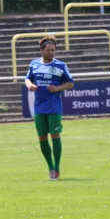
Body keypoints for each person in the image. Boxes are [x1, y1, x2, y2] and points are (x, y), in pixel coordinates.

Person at [24, 35, 75, 181]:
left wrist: (57, 88)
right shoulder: (34, 64)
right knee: (42, 137)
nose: (51, 53)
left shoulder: (60, 65)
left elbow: (71, 83)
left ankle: (56, 168)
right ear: (41, 50)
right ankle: (50, 167)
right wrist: (30, 85)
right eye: (48, 50)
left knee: (55, 136)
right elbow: (27, 78)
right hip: (39, 107)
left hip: (54, 107)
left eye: (53, 50)